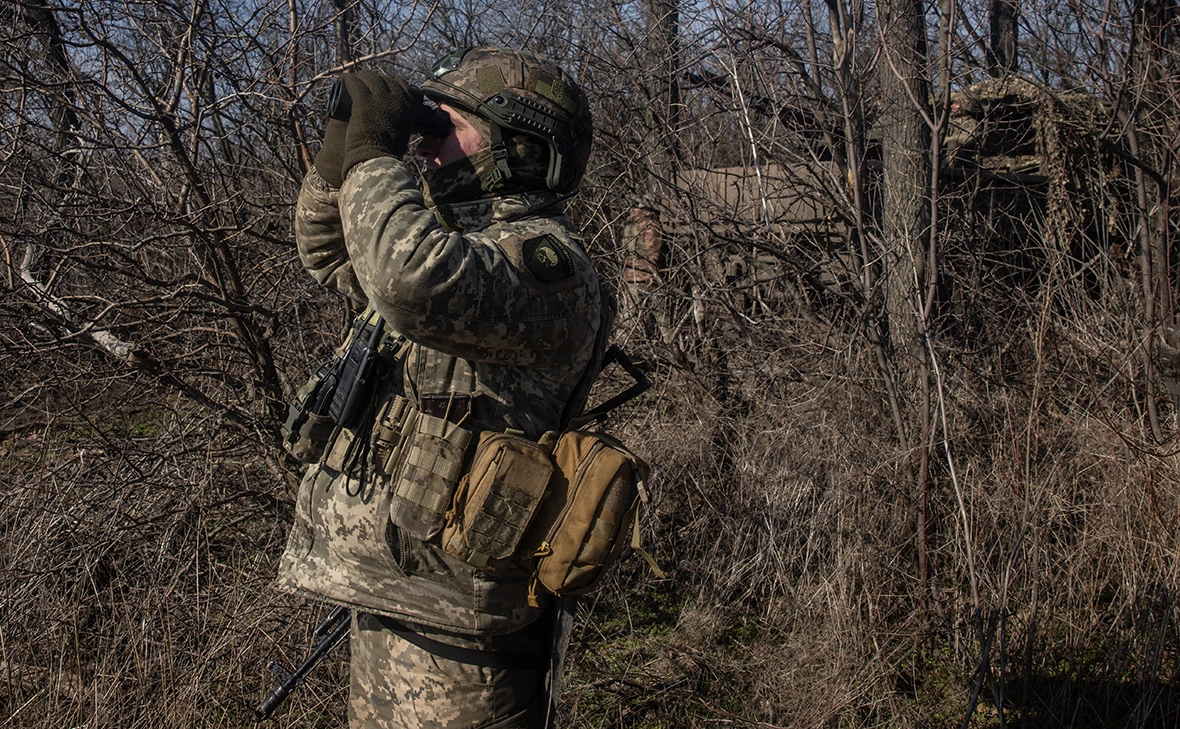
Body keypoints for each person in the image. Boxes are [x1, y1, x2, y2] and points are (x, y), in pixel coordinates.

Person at [274, 47, 602, 729]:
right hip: (392, 601)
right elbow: (329, 250)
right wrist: (343, 151)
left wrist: (376, 152)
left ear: (519, 145)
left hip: (466, 645)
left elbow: (406, 280)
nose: (426, 143)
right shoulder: (452, 237)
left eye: (448, 125)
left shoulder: (547, 265)